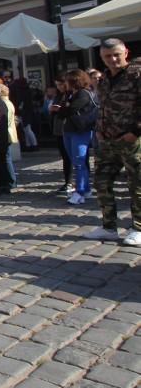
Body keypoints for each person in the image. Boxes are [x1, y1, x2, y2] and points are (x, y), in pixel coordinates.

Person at [83, 39, 141, 245]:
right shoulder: (105, 78)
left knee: (136, 185)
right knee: (101, 181)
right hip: (107, 140)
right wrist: (99, 129)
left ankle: (138, 228)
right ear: (102, 57)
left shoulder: (136, 74)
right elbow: (103, 106)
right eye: (108, 56)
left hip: (132, 140)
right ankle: (108, 227)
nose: (113, 59)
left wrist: (135, 131)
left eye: (116, 54)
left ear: (126, 52)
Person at [56, 69, 96, 205]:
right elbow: (63, 112)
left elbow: (70, 110)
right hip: (68, 130)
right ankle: (86, 189)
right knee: (74, 159)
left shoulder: (83, 94)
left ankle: (79, 192)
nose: (65, 83)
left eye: (67, 80)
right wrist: (64, 108)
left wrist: (64, 109)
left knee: (79, 161)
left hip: (81, 130)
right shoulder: (68, 94)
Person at [48, 74, 75, 194]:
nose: (59, 87)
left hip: (69, 128)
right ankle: (67, 181)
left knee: (72, 156)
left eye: (61, 84)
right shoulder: (58, 96)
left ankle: (73, 182)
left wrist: (60, 109)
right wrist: (52, 110)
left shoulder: (72, 95)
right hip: (58, 128)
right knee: (64, 156)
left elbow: (71, 111)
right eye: (57, 85)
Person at [0, 84, 18, 190]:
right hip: (9, 132)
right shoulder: (8, 102)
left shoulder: (5, 103)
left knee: (7, 158)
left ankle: (11, 181)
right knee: (7, 157)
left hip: (7, 133)